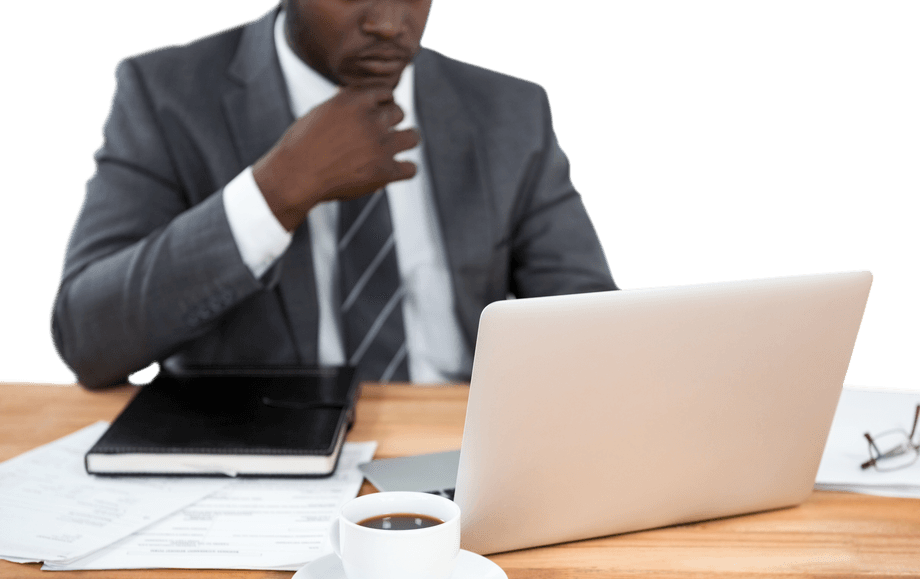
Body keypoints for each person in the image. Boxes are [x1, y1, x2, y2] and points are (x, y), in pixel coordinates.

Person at [50, 0, 618, 389]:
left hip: (461, 447)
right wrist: (277, 190)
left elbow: (589, 332)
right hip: (254, 455)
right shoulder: (165, 93)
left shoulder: (509, 112)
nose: (390, 24)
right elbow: (87, 338)